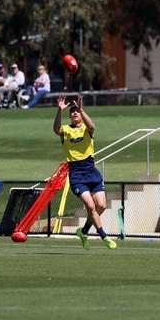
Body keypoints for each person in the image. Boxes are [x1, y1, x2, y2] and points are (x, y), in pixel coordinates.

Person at [53, 94, 117, 250]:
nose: (74, 113)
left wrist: (82, 109)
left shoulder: (87, 129)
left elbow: (92, 126)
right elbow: (56, 129)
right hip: (76, 174)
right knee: (90, 205)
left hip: (91, 171)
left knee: (101, 205)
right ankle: (104, 236)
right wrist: (60, 111)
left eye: (77, 111)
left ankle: (84, 231)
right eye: (72, 111)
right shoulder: (66, 130)